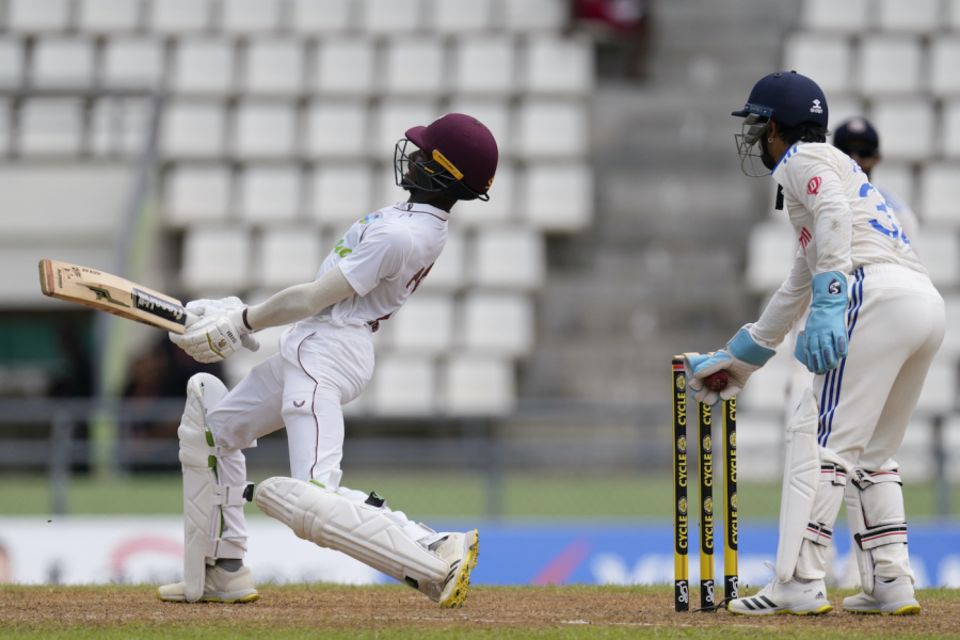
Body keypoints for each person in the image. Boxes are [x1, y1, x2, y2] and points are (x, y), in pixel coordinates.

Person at [156, 113, 498, 608]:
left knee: (312, 498)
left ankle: (434, 549)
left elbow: (315, 298)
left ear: (443, 172)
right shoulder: (412, 222)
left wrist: (243, 322)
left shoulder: (400, 236)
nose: (414, 155)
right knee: (210, 431)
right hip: (315, 343)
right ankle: (223, 569)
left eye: (426, 153)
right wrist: (234, 312)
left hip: (328, 351)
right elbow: (313, 303)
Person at [686, 71, 944, 616]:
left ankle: (800, 581)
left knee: (821, 439)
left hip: (872, 292)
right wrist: (744, 357)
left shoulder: (804, 160)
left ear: (779, 127)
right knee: (873, 452)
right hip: (922, 303)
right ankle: (890, 582)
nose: (757, 139)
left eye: (760, 127)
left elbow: (830, 224)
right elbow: (796, 283)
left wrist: (833, 299)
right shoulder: (835, 168)